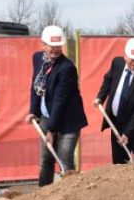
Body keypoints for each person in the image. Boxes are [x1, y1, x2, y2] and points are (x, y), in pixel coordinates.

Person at [25, 25, 88, 186]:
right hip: (46, 117)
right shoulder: (37, 58)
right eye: (51, 46)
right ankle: (42, 197)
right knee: (46, 160)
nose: (55, 50)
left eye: (58, 46)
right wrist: (33, 111)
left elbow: (60, 101)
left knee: (65, 161)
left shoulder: (67, 68)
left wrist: (52, 130)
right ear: (43, 45)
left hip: (68, 122)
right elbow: (35, 86)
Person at [93, 38, 134, 164]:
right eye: (131, 59)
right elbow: (108, 79)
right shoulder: (117, 63)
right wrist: (100, 97)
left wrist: (128, 133)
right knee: (119, 165)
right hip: (117, 125)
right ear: (125, 55)